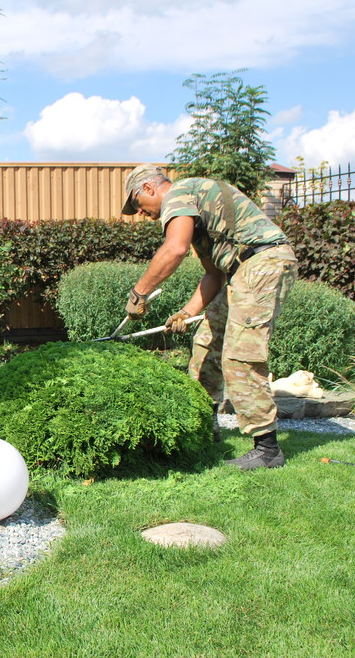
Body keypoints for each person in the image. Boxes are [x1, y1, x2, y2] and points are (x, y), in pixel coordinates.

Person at [120, 164, 298, 470]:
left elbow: (173, 250)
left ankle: (267, 449)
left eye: (138, 204)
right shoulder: (195, 214)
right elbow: (213, 276)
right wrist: (187, 313)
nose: (141, 213)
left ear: (149, 188)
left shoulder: (178, 194)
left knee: (240, 354)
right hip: (240, 270)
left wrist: (139, 293)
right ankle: (205, 424)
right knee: (206, 340)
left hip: (263, 263)